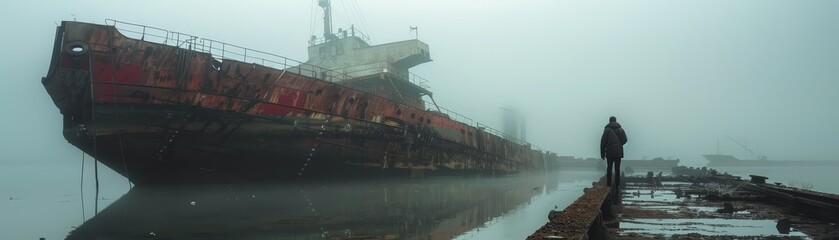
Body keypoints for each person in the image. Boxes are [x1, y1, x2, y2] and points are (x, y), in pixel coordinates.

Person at [600, 116, 628, 187]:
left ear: (609, 121)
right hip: (618, 152)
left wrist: (602, 153)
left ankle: (609, 184)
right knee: (617, 168)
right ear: (616, 121)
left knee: (609, 168)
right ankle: (617, 185)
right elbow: (625, 140)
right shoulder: (621, 130)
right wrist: (619, 144)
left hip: (609, 152)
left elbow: (603, 142)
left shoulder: (607, 130)